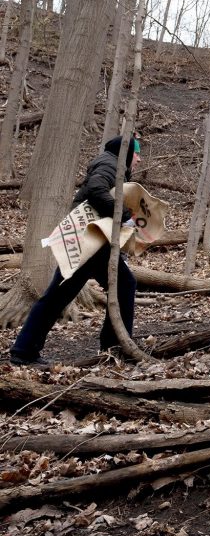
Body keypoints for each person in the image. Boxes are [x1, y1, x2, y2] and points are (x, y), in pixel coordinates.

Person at [10, 136, 142, 365]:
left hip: (86, 241)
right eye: (137, 153)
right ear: (127, 153)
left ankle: (24, 350)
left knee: (57, 296)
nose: (139, 159)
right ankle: (116, 346)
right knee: (124, 285)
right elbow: (96, 190)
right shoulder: (110, 164)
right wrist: (124, 214)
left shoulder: (110, 163)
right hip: (90, 242)